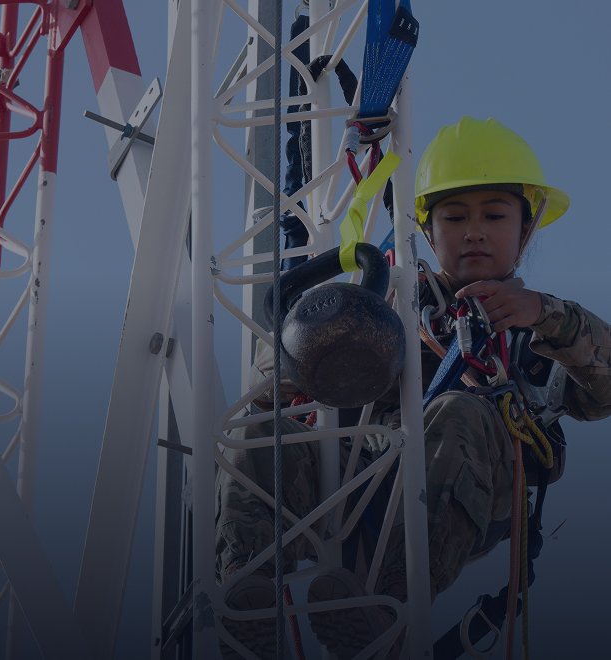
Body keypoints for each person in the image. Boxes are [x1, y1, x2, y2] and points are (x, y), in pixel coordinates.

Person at [215, 116, 611, 659]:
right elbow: (274, 384)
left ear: (526, 228)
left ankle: (384, 607)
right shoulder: (386, 301)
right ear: (427, 231)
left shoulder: (534, 336)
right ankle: (249, 588)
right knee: (259, 431)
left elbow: (605, 389)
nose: (474, 230)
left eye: (494, 215)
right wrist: (294, 366)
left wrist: (549, 316)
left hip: (458, 489)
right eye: (454, 216)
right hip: (351, 477)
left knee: (458, 411)